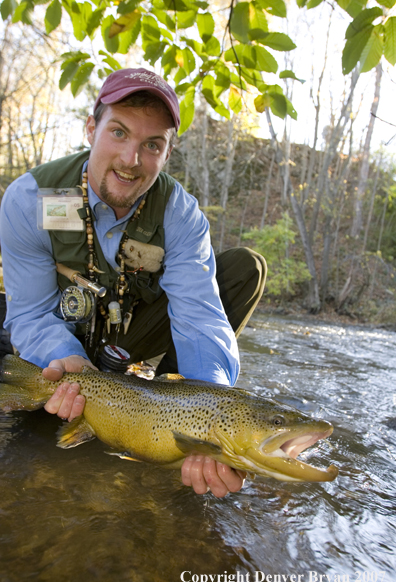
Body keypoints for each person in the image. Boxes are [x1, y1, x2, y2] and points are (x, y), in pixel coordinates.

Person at [0, 68, 266, 497]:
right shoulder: (31, 199)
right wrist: (63, 360)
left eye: (152, 145)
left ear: (167, 154)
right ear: (92, 128)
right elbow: (29, 312)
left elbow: (199, 316)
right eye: (119, 133)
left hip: (128, 336)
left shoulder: (180, 215)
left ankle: (167, 415)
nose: (131, 159)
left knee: (244, 267)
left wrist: (211, 418)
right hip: (61, 334)